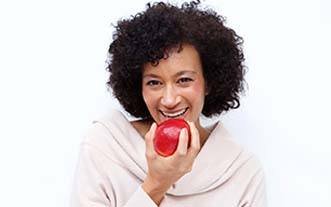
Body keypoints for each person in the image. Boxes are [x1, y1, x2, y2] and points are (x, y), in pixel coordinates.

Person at [70, 1, 267, 206]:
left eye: (184, 80)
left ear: (209, 82)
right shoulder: (105, 146)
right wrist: (156, 184)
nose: (169, 100)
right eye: (154, 82)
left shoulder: (242, 172)